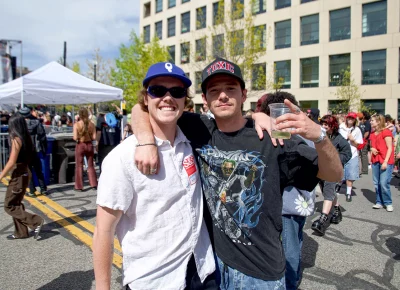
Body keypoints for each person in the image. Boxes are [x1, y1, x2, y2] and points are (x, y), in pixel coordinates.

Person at [132, 57, 343, 289]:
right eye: (214, 90)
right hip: (214, 267)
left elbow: (333, 175)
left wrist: (319, 136)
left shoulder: (272, 137)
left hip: (260, 274)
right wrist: (145, 142)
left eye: (230, 89)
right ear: (205, 99)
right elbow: (142, 108)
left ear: (244, 94)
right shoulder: (199, 129)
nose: (222, 96)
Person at [93, 62, 217, 290]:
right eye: (158, 90)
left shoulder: (193, 140)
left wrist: (262, 118)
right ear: (145, 99)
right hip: (154, 280)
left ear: (185, 100)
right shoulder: (122, 158)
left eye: (177, 92)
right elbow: (104, 230)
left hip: (203, 270)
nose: (168, 98)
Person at [260, 91, 316, 290]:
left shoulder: (283, 135)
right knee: (296, 242)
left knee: (289, 249)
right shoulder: (307, 134)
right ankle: (294, 277)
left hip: (287, 205)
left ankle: (290, 283)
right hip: (303, 204)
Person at [0, 115, 44, 240]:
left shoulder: (16, 139)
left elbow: (12, 161)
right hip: (24, 172)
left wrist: (1, 175)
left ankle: (36, 221)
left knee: (9, 205)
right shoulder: (26, 138)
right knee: (16, 203)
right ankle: (21, 232)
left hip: (19, 174)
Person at [311, 115, 352, 236]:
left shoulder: (340, 139)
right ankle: (337, 211)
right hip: (321, 169)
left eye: (326, 124)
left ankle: (322, 220)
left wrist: (335, 159)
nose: (324, 126)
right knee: (327, 191)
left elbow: (347, 153)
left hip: (333, 170)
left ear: (332, 126)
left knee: (329, 191)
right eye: (322, 123)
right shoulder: (320, 136)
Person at [18, 106, 48, 196]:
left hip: (25, 150)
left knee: (28, 171)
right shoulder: (36, 122)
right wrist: (43, 148)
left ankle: (32, 190)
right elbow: (42, 136)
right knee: (38, 169)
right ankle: (43, 189)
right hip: (35, 149)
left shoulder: (20, 124)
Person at [370, 114, 394, 212]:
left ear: (379, 121)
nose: (371, 122)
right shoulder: (372, 133)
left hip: (385, 160)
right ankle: (379, 202)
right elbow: (371, 146)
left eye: (373, 120)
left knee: (383, 183)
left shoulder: (386, 132)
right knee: (376, 183)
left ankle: (388, 202)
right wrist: (372, 148)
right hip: (375, 160)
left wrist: (385, 162)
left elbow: (390, 148)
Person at [338, 112, 363, 202]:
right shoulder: (340, 128)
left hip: (352, 154)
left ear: (355, 120)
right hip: (341, 154)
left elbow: (360, 145)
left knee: (350, 175)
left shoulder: (357, 130)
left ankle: (348, 193)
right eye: (349, 118)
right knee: (340, 172)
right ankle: (338, 186)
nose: (350, 120)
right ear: (346, 118)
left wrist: (353, 140)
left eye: (352, 118)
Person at [73, 107, 97, 192]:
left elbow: (75, 137)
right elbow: (94, 137)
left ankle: (79, 186)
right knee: (90, 165)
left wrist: (80, 136)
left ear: (79, 115)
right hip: (89, 144)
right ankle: (94, 184)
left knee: (79, 165)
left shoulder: (77, 125)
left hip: (80, 144)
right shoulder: (92, 124)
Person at [95, 103, 122, 173]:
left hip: (104, 143)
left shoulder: (100, 118)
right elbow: (122, 113)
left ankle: (104, 178)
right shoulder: (115, 116)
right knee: (113, 161)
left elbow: (98, 132)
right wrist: (116, 106)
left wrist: (96, 143)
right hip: (115, 143)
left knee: (103, 162)